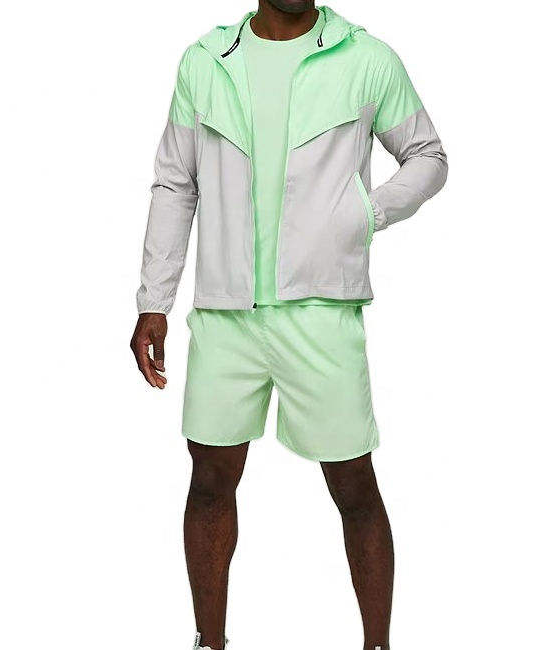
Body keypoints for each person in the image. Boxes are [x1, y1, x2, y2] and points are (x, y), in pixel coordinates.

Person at [131, 2, 447, 648]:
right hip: (226, 313)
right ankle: (209, 642)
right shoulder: (205, 63)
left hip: (322, 312)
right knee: (209, 480)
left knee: (354, 485)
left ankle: (378, 645)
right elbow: (175, 184)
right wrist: (153, 300)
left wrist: (369, 212)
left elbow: (428, 156)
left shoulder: (365, 59)